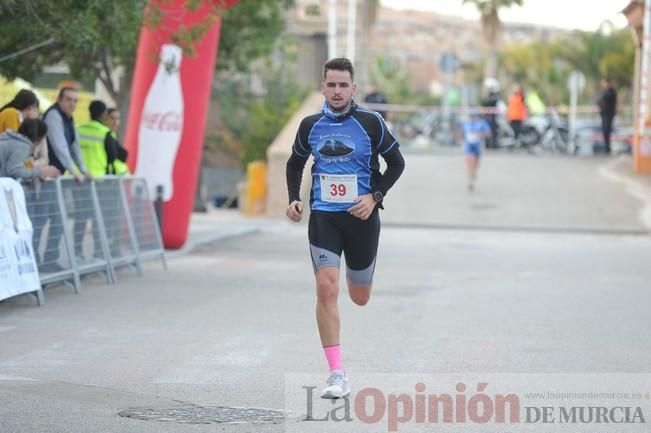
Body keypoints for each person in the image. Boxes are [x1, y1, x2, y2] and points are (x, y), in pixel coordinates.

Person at [285, 58, 405, 399]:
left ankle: (362, 278)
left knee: (359, 296)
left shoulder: (371, 123)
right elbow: (295, 163)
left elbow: (396, 163)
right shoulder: (310, 125)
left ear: (353, 89)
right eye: (331, 84)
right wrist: (295, 198)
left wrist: (375, 196)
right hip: (324, 216)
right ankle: (337, 374)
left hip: (362, 218)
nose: (337, 91)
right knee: (326, 287)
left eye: (343, 85)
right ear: (323, 87)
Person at [42, 86, 92, 267]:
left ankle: (49, 260)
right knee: (41, 220)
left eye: (75, 100)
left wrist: (84, 169)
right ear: (60, 99)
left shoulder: (69, 119)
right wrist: (74, 171)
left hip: (57, 178)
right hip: (45, 177)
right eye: (69, 99)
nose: (72, 103)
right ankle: (38, 262)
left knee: (58, 218)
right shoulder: (54, 116)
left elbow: (74, 146)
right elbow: (59, 146)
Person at [462, 109, 491, 192]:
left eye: (473, 116)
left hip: (478, 146)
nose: (472, 118)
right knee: (470, 163)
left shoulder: (482, 123)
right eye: (470, 116)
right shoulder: (465, 123)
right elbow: (461, 132)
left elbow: (488, 133)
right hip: (468, 146)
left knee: (476, 164)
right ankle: (470, 182)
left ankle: (473, 173)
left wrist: (481, 134)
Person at [105, 107, 130, 175]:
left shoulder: (113, 135)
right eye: (112, 118)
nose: (115, 122)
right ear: (105, 118)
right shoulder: (105, 135)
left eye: (118, 119)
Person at [597, 78, 617, 155]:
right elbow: (599, 100)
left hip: (609, 114)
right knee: (604, 131)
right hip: (603, 114)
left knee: (607, 130)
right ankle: (606, 147)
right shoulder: (604, 92)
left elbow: (605, 99)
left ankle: (607, 148)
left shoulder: (612, 92)